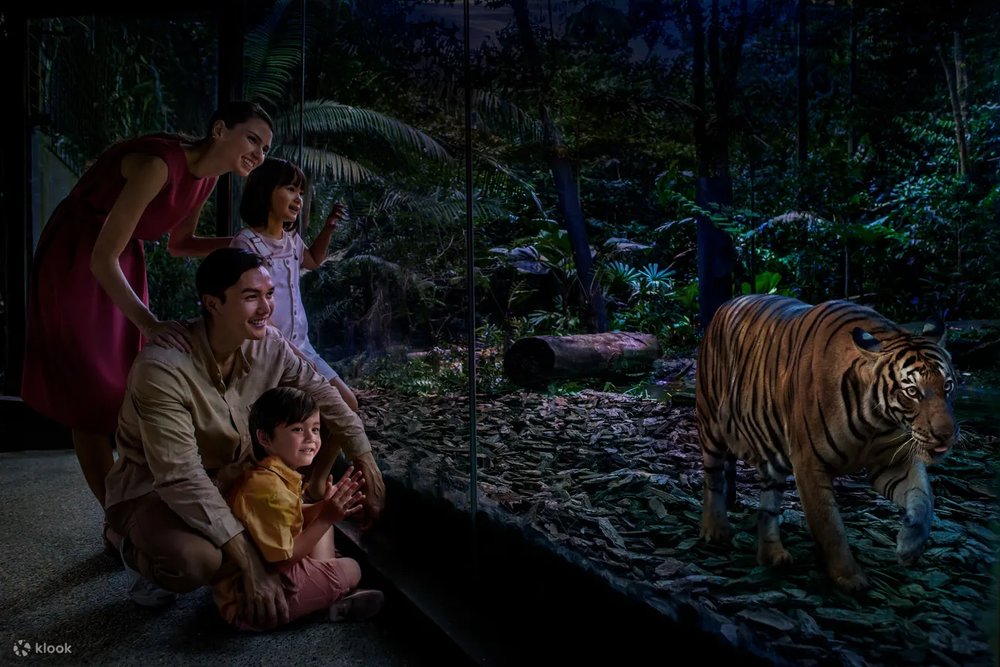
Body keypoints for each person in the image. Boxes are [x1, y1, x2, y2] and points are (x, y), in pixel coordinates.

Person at [21, 101, 274, 525]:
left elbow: (180, 245)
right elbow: (102, 257)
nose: (259, 154)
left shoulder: (207, 179)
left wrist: (243, 243)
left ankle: (131, 507)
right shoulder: (159, 166)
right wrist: (149, 322)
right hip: (80, 258)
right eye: (253, 139)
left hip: (123, 258)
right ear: (219, 130)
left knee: (120, 386)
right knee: (90, 391)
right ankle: (118, 523)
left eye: (265, 148)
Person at [103, 247, 385, 622]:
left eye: (269, 295)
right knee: (200, 561)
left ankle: (301, 583)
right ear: (212, 303)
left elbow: (327, 398)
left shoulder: (269, 344)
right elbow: (180, 478)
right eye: (251, 297)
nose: (267, 308)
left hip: (233, 483)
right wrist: (251, 564)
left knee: (272, 521)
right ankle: (129, 548)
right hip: (155, 491)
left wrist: (367, 461)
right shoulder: (162, 369)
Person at [213, 386, 384, 629]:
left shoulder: (270, 473)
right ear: (265, 438)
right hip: (254, 605)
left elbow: (293, 517)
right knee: (352, 569)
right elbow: (282, 561)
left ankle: (322, 583)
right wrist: (326, 516)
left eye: (315, 429)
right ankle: (330, 599)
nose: (311, 438)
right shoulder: (269, 490)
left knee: (323, 524)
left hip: (270, 567)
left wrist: (327, 506)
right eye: (297, 429)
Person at [232, 157, 359, 412]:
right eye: (290, 189)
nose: (299, 198)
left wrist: (328, 229)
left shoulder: (291, 240)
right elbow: (248, 306)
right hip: (267, 351)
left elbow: (312, 260)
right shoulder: (246, 243)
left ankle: (322, 454)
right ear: (265, 191)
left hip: (303, 348)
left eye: (300, 192)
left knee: (348, 405)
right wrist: (296, 358)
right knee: (292, 417)